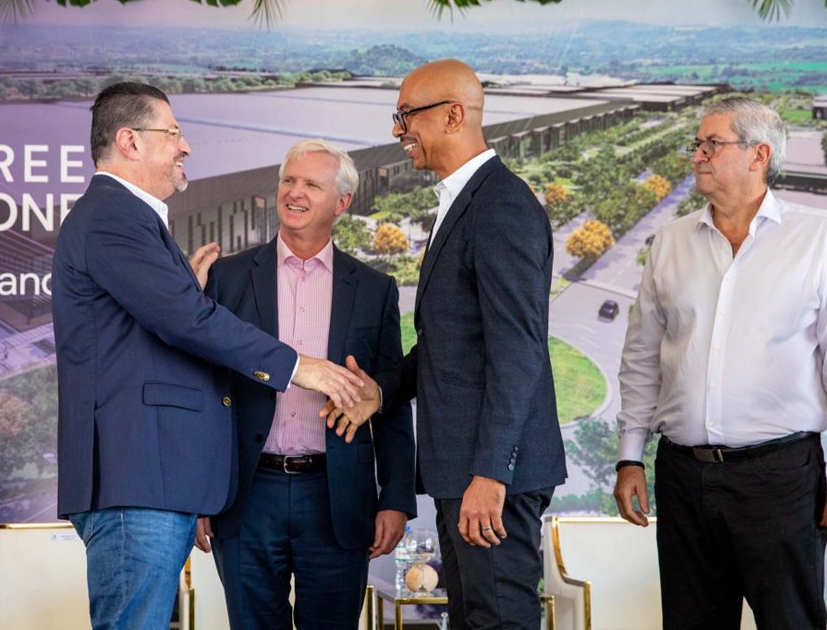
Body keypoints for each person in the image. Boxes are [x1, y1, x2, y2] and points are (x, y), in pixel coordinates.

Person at [51, 83, 362, 630]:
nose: (185, 146)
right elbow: (186, 322)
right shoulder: (113, 216)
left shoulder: (127, 218)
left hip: (150, 481)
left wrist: (183, 294)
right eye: (173, 133)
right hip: (135, 480)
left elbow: (162, 318)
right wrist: (300, 366)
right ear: (130, 141)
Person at [326, 59, 566, 629]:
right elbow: (450, 345)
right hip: (464, 474)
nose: (397, 130)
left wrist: (492, 473)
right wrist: (380, 392)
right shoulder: (465, 202)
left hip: (490, 480)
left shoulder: (500, 204)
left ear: (454, 115)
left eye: (406, 114)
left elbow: (518, 349)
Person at [613, 97, 827, 629]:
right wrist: (629, 458)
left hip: (781, 478)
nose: (698, 156)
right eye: (697, 144)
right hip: (684, 477)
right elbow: (641, 358)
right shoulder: (670, 241)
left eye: (712, 144)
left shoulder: (816, 239)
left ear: (759, 155)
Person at [193, 139, 417, 630]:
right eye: (288, 181)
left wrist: (397, 498)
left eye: (311, 184)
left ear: (342, 202)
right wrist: (199, 495)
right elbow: (206, 392)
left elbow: (391, 398)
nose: (294, 193)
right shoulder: (227, 278)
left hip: (337, 496)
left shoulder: (374, 289)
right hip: (247, 496)